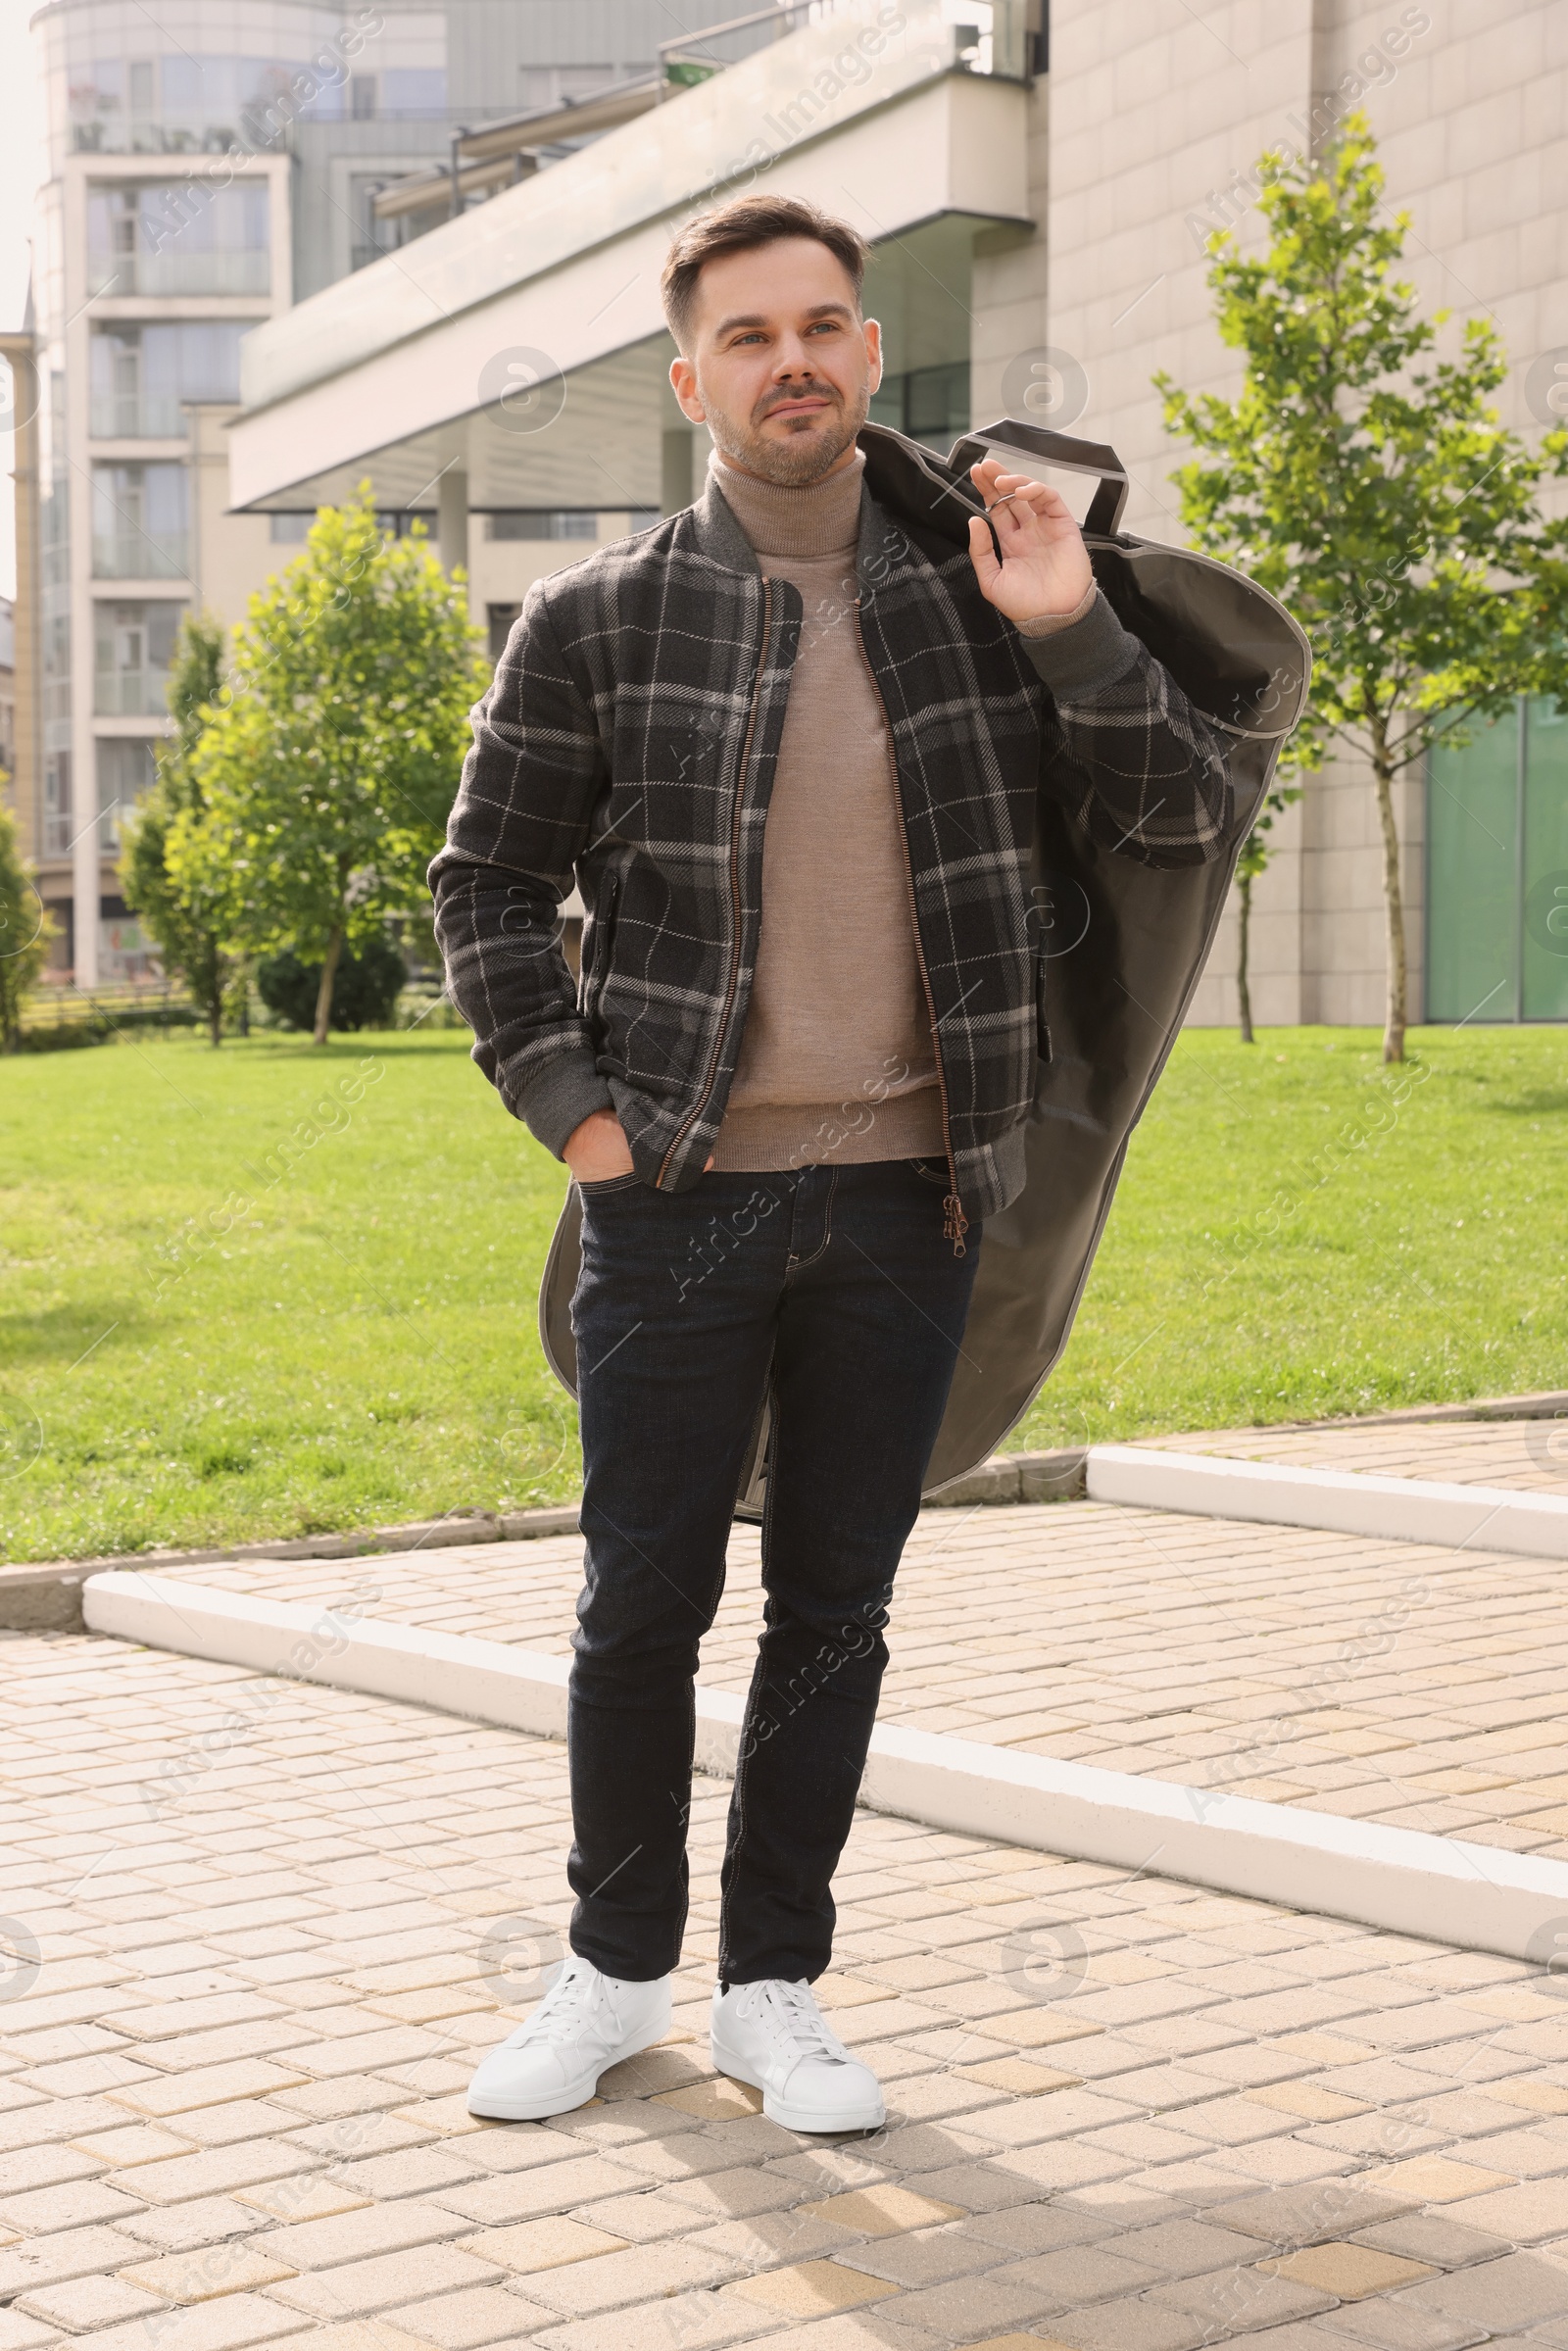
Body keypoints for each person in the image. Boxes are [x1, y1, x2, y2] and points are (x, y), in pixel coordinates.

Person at [431, 194, 1231, 2133]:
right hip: (677, 1200)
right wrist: (591, 1132)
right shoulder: (600, 617)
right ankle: (614, 1969)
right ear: (690, 374)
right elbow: (480, 890)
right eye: (746, 333)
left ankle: (769, 1987)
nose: (790, 357)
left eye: (823, 324)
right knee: (639, 1605)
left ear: (869, 356)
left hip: (907, 1198)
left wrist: (1072, 635)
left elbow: (1175, 813)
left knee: (830, 1612)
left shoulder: (987, 588)